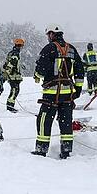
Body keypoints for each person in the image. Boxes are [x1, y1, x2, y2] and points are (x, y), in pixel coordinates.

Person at [32, 25, 84, 159]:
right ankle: (66, 151)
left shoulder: (49, 49)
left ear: (51, 34)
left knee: (44, 120)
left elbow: (41, 68)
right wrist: (77, 90)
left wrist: (37, 74)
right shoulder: (72, 49)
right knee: (66, 122)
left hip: (51, 93)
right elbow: (80, 71)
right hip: (67, 94)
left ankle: (41, 150)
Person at [3, 38, 25, 113]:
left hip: (13, 76)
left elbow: (7, 63)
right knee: (14, 91)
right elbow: (11, 64)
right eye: (21, 46)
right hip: (13, 76)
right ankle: (10, 106)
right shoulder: (15, 54)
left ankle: (10, 105)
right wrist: (6, 74)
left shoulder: (12, 53)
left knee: (14, 90)